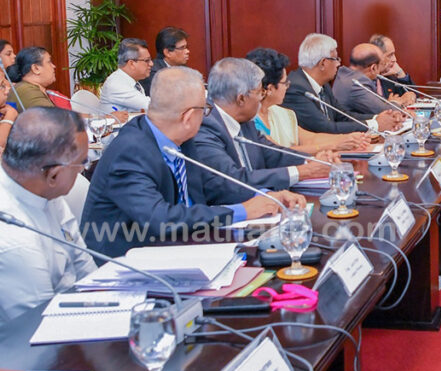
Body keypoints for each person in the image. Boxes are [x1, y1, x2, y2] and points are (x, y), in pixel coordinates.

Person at [81, 67, 304, 258]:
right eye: (204, 110)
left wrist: (266, 196)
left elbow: (213, 184)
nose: (207, 116)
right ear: (188, 117)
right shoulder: (130, 152)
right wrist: (243, 211)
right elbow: (160, 219)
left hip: (183, 247)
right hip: (129, 262)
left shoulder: (181, 139)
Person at [183, 57, 333, 204]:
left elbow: (271, 152)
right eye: (260, 93)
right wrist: (304, 171)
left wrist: (312, 161)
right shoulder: (204, 127)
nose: (262, 98)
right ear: (241, 99)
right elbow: (232, 180)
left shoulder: (244, 120)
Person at [0, 108, 97, 324]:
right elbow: (42, 326)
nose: (83, 169)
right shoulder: (14, 239)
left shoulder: (41, 188)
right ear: (53, 174)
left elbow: (83, 264)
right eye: (82, 163)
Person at [245, 47, 371, 153]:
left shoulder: (282, 113)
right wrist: (334, 146)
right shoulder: (249, 120)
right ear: (270, 89)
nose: (288, 86)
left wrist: (348, 138)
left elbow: (310, 139)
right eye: (284, 82)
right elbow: (280, 152)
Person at [281, 33, 403, 134]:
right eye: (336, 59)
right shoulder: (296, 89)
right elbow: (325, 128)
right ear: (323, 63)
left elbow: (342, 115)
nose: (339, 64)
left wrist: (378, 118)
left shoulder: (323, 84)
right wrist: (375, 124)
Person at [332, 43, 398, 116]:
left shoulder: (344, 74)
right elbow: (386, 112)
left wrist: (388, 103)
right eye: (381, 64)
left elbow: (379, 103)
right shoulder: (356, 84)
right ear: (373, 68)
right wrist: (396, 102)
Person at [99, 38, 152, 113]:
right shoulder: (116, 84)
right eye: (147, 60)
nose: (151, 64)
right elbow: (151, 105)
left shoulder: (133, 81)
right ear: (132, 64)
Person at [370, 34, 416, 106]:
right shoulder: (364, 80)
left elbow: (413, 96)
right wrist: (390, 104)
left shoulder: (389, 77)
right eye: (390, 55)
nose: (395, 59)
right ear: (378, 56)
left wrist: (401, 74)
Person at [140, 27, 189, 94]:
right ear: (167, 52)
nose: (187, 51)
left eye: (186, 47)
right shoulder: (154, 74)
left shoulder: (183, 67)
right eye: (182, 48)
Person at [9, 46, 59, 111]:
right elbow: (53, 116)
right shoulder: (26, 91)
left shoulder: (29, 87)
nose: (54, 66)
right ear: (36, 68)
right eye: (49, 62)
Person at [0, 75, 18, 152]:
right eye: (2, 86)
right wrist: (9, 118)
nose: (7, 91)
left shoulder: (5, 109)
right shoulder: (9, 112)